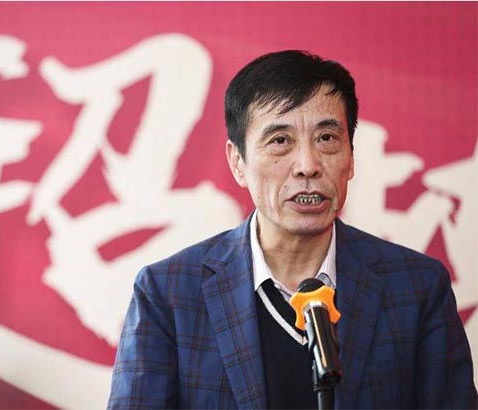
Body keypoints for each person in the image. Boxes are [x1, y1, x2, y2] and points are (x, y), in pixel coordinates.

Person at [107, 50, 477, 409]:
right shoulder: (169, 294)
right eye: (280, 141)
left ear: (351, 157)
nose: (307, 165)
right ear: (238, 162)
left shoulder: (416, 288)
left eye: (326, 138)